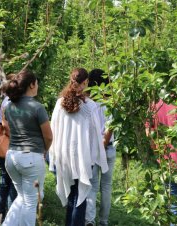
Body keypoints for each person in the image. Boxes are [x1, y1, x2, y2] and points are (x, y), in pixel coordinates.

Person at [49, 68, 108, 226]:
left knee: (72, 197)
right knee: (79, 198)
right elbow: (95, 134)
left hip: (63, 156)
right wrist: (96, 155)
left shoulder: (59, 103)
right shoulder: (90, 106)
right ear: (86, 83)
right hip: (82, 157)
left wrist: (53, 154)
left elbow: (52, 129)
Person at [2, 70, 53, 226]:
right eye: (36, 82)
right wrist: (44, 150)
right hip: (30, 158)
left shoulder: (9, 107)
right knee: (31, 202)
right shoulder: (37, 107)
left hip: (11, 157)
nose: (37, 85)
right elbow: (49, 136)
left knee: (23, 197)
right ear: (32, 85)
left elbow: (7, 128)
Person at [85, 69, 116, 226]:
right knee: (106, 186)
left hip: (93, 148)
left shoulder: (88, 103)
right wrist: (104, 144)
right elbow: (111, 127)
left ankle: (90, 220)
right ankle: (103, 221)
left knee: (92, 186)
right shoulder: (110, 102)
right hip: (108, 148)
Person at [0, 94, 17, 221]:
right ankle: (10, 217)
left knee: (4, 180)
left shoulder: (0, 100)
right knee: (12, 180)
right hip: (9, 143)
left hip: (0, 144)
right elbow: (5, 124)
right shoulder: (9, 101)